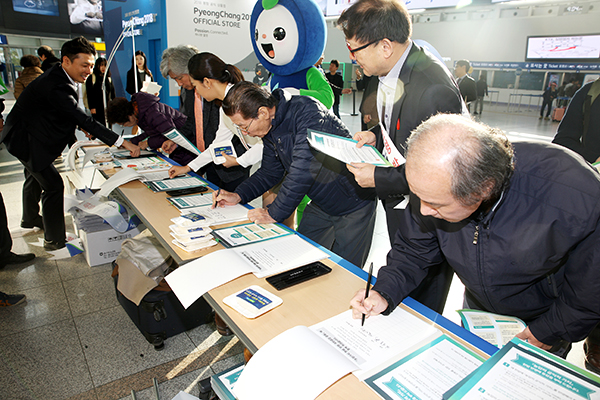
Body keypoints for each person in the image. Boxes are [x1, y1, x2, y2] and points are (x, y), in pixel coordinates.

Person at [351, 113, 600, 358]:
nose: (424, 210)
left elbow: (591, 287)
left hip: (542, 317)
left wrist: (549, 330)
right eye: (419, 197)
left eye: (435, 204)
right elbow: (413, 250)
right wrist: (383, 291)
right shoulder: (435, 181)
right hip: (479, 312)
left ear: (484, 189)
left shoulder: (575, 196)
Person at [336, 0, 464, 312]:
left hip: (429, 217)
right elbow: (403, 124)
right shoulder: (393, 71)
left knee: (422, 295)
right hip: (401, 203)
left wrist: (376, 177)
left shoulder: (433, 87)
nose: (351, 57)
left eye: (355, 49)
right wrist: (376, 135)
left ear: (384, 46)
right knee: (402, 279)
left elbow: (440, 172)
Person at [215, 81, 377, 268]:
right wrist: (239, 195)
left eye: (244, 126)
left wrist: (274, 213)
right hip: (322, 200)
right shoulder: (271, 126)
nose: (246, 132)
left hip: (353, 202)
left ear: (262, 113)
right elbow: (270, 172)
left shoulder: (308, 113)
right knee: (300, 255)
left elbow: (302, 170)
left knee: (345, 270)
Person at [0, 37, 139, 250]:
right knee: (54, 186)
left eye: (91, 66)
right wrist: (121, 142)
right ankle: (54, 240)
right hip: (26, 139)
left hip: (28, 132)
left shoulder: (59, 77)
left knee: (34, 177)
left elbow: (60, 112)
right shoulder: (57, 84)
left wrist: (79, 126)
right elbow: (79, 116)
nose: (88, 70)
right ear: (66, 61)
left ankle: (29, 219)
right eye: (84, 65)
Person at [552, 77, 600, 372]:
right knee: (588, 271)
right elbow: (564, 144)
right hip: (592, 198)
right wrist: (586, 168)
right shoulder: (590, 92)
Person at [167, 52, 261, 192]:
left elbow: (265, 143)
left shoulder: (241, 99)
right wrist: (188, 167)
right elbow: (218, 143)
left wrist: (238, 161)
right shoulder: (226, 105)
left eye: (196, 86)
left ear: (207, 82)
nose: (196, 92)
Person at [106, 93, 192, 165]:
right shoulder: (140, 113)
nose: (125, 126)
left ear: (128, 116)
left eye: (123, 124)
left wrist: (148, 143)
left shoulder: (152, 113)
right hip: (178, 147)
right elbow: (151, 131)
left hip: (188, 142)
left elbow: (170, 134)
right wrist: (132, 142)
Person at [85, 57, 115, 127]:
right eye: (101, 65)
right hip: (97, 108)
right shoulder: (92, 78)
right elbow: (90, 94)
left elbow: (112, 92)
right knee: (98, 125)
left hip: (107, 107)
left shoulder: (108, 78)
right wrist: (92, 107)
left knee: (108, 125)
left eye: (105, 65)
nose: (103, 67)